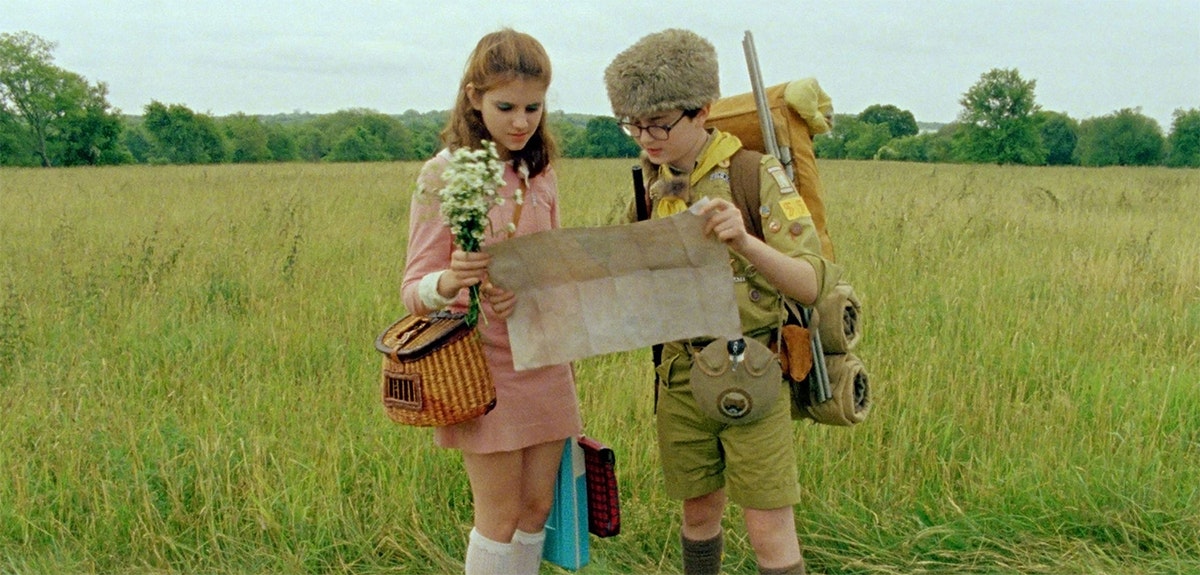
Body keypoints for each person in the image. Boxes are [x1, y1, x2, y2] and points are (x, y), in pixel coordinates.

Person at [604, 29, 839, 575]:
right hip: (681, 374)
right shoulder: (649, 185)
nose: (646, 137)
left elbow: (810, 283)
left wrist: (744, 241)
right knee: (698, 512)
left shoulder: (754, 173)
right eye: (634, 125)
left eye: (659, 124)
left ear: (703, 110)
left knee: (769, 530)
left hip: (752, 369)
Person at [401, 29, 581, 575]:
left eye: (534, 106)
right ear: (474, 97)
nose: (522, 122)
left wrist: (536, 284)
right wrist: (455, 281)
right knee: (498, 516)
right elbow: (414, 291)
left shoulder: (540, 170)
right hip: (483, 366)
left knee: (537, 509)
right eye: (506, 106)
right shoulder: (445, 173)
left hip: (545, 356)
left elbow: (549, 262)